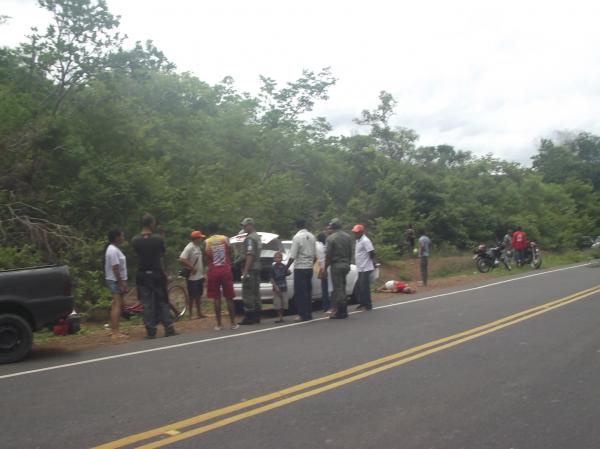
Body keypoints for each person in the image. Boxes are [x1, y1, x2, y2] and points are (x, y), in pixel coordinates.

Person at [131, 213, 176, 339]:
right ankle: (168, 328)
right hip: (157, 273)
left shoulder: (135, 240)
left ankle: (150, 331)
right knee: (162, 301)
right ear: (151, 223)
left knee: (146, 304)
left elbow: (136, 256)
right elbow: (162, 255)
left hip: (142, 275)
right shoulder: (158, 239)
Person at [204, 222, 238, 330]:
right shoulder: (225, 239)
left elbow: (206, 258)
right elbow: (231, 251)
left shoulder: (207, 242)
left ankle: (218, 324)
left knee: (216, 298)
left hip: (213, 271)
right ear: (218, 228)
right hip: (225, 269)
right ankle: (233, 323)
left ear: (209, 231)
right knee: (229, 297)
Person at [286, 218, 317, 322]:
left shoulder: (297, 237)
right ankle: (309, 313)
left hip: (300, 268)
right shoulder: (312, 236)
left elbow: (292, 256)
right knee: (308, 291)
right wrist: (310, 264)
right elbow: (315, 256)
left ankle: (302, 314)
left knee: (300, 293)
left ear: (297, 226)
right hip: (309, 267)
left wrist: (286, 268)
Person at [325, 218, 353, 319]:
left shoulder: (331, 238)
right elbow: (350, 252)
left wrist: (325, 268)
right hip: (346, 264)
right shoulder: (348, 236)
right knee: (343, 286)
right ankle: (343, 310)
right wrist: (349, 263)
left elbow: (328, 255)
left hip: (336, 265)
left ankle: (341, 312)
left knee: (338, 288)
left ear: (332, 226)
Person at [104, 229, 128, 340]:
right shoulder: (112, 250)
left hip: (115, 280)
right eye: (122, 235)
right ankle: (115, 332)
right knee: (117, 305)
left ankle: (115, 329)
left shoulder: (113, 249)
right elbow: (115, 268)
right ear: (117, 237)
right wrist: (121, 283)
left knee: (116, 304)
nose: (123, 238)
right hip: (115, 280)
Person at [239, 217, 262, 325]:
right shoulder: (257, 237)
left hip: (251, 268)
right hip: (257, 267)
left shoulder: (250, 239)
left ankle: (249, 316)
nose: (243, 227)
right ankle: (257, 315)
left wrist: (245, 271)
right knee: (256, 292)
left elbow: (249, 255)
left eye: (245, 226)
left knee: (248, 292)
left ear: (250, 225)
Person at [179, 230, 206, 320]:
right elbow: (182, 259)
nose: (201, 239)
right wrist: (192, 267)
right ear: (196, 239)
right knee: (192, 296)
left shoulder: (197, 247)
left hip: (199, 276)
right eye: (200, 238)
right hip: (192, 277)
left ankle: (199, 313)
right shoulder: (189, 247)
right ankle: (190, 315)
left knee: (199, 295)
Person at [352, 224, 376, 311]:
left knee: (364, 286)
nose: (355, 234)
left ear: (361, 232)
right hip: (360, 267)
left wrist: (370, 261)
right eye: (354, 232)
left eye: (357, 232)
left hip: (366, 267)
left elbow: (372, 252)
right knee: (359, 286)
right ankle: (362, 303)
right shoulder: (358, 240)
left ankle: (368, 304)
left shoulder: (365, 240)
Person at [271, 251, 290, 323]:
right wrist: (275, 286)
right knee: (277, 303)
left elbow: (288, 273)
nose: (278, 259)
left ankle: (282, 316)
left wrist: (287, 271)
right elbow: (271, 278)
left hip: (284, 286)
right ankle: (279, 317)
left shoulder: (284, 266)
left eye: (279, 257)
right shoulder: (273, 267)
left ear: (281, 258)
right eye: (276, 257)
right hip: (277, 287)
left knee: (284, 302)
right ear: (274, 259)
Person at [315, 232, 330, 313]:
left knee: (324, 288)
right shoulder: (326, 245)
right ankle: (329, 306)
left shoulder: (317, 246)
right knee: (328, 288)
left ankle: (326, 307)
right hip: (328, 268)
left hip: (321, 268)